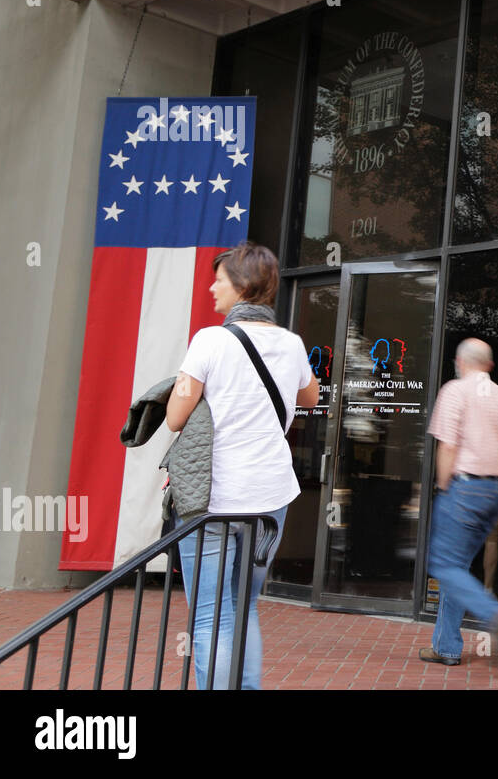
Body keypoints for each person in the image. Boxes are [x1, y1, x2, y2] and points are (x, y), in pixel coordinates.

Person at [165, 241, 319, 689]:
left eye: (219, 279)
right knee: (244, 605)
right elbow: (309, 397)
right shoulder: (291, 343)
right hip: (270, 497)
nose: (213, 288)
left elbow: (175, 417)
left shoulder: (210, 340)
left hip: (213, 497)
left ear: (241, 284)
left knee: (213, 614)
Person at [421, 338, 498, 665]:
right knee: (456, 568)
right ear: (490, 365)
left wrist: (445, 488)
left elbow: (448, 447)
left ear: (460, 361)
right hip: (497, 492)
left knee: (442, 564)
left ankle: (494, 613)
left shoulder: (455, 391)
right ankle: (446, 647)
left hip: (465, 489)